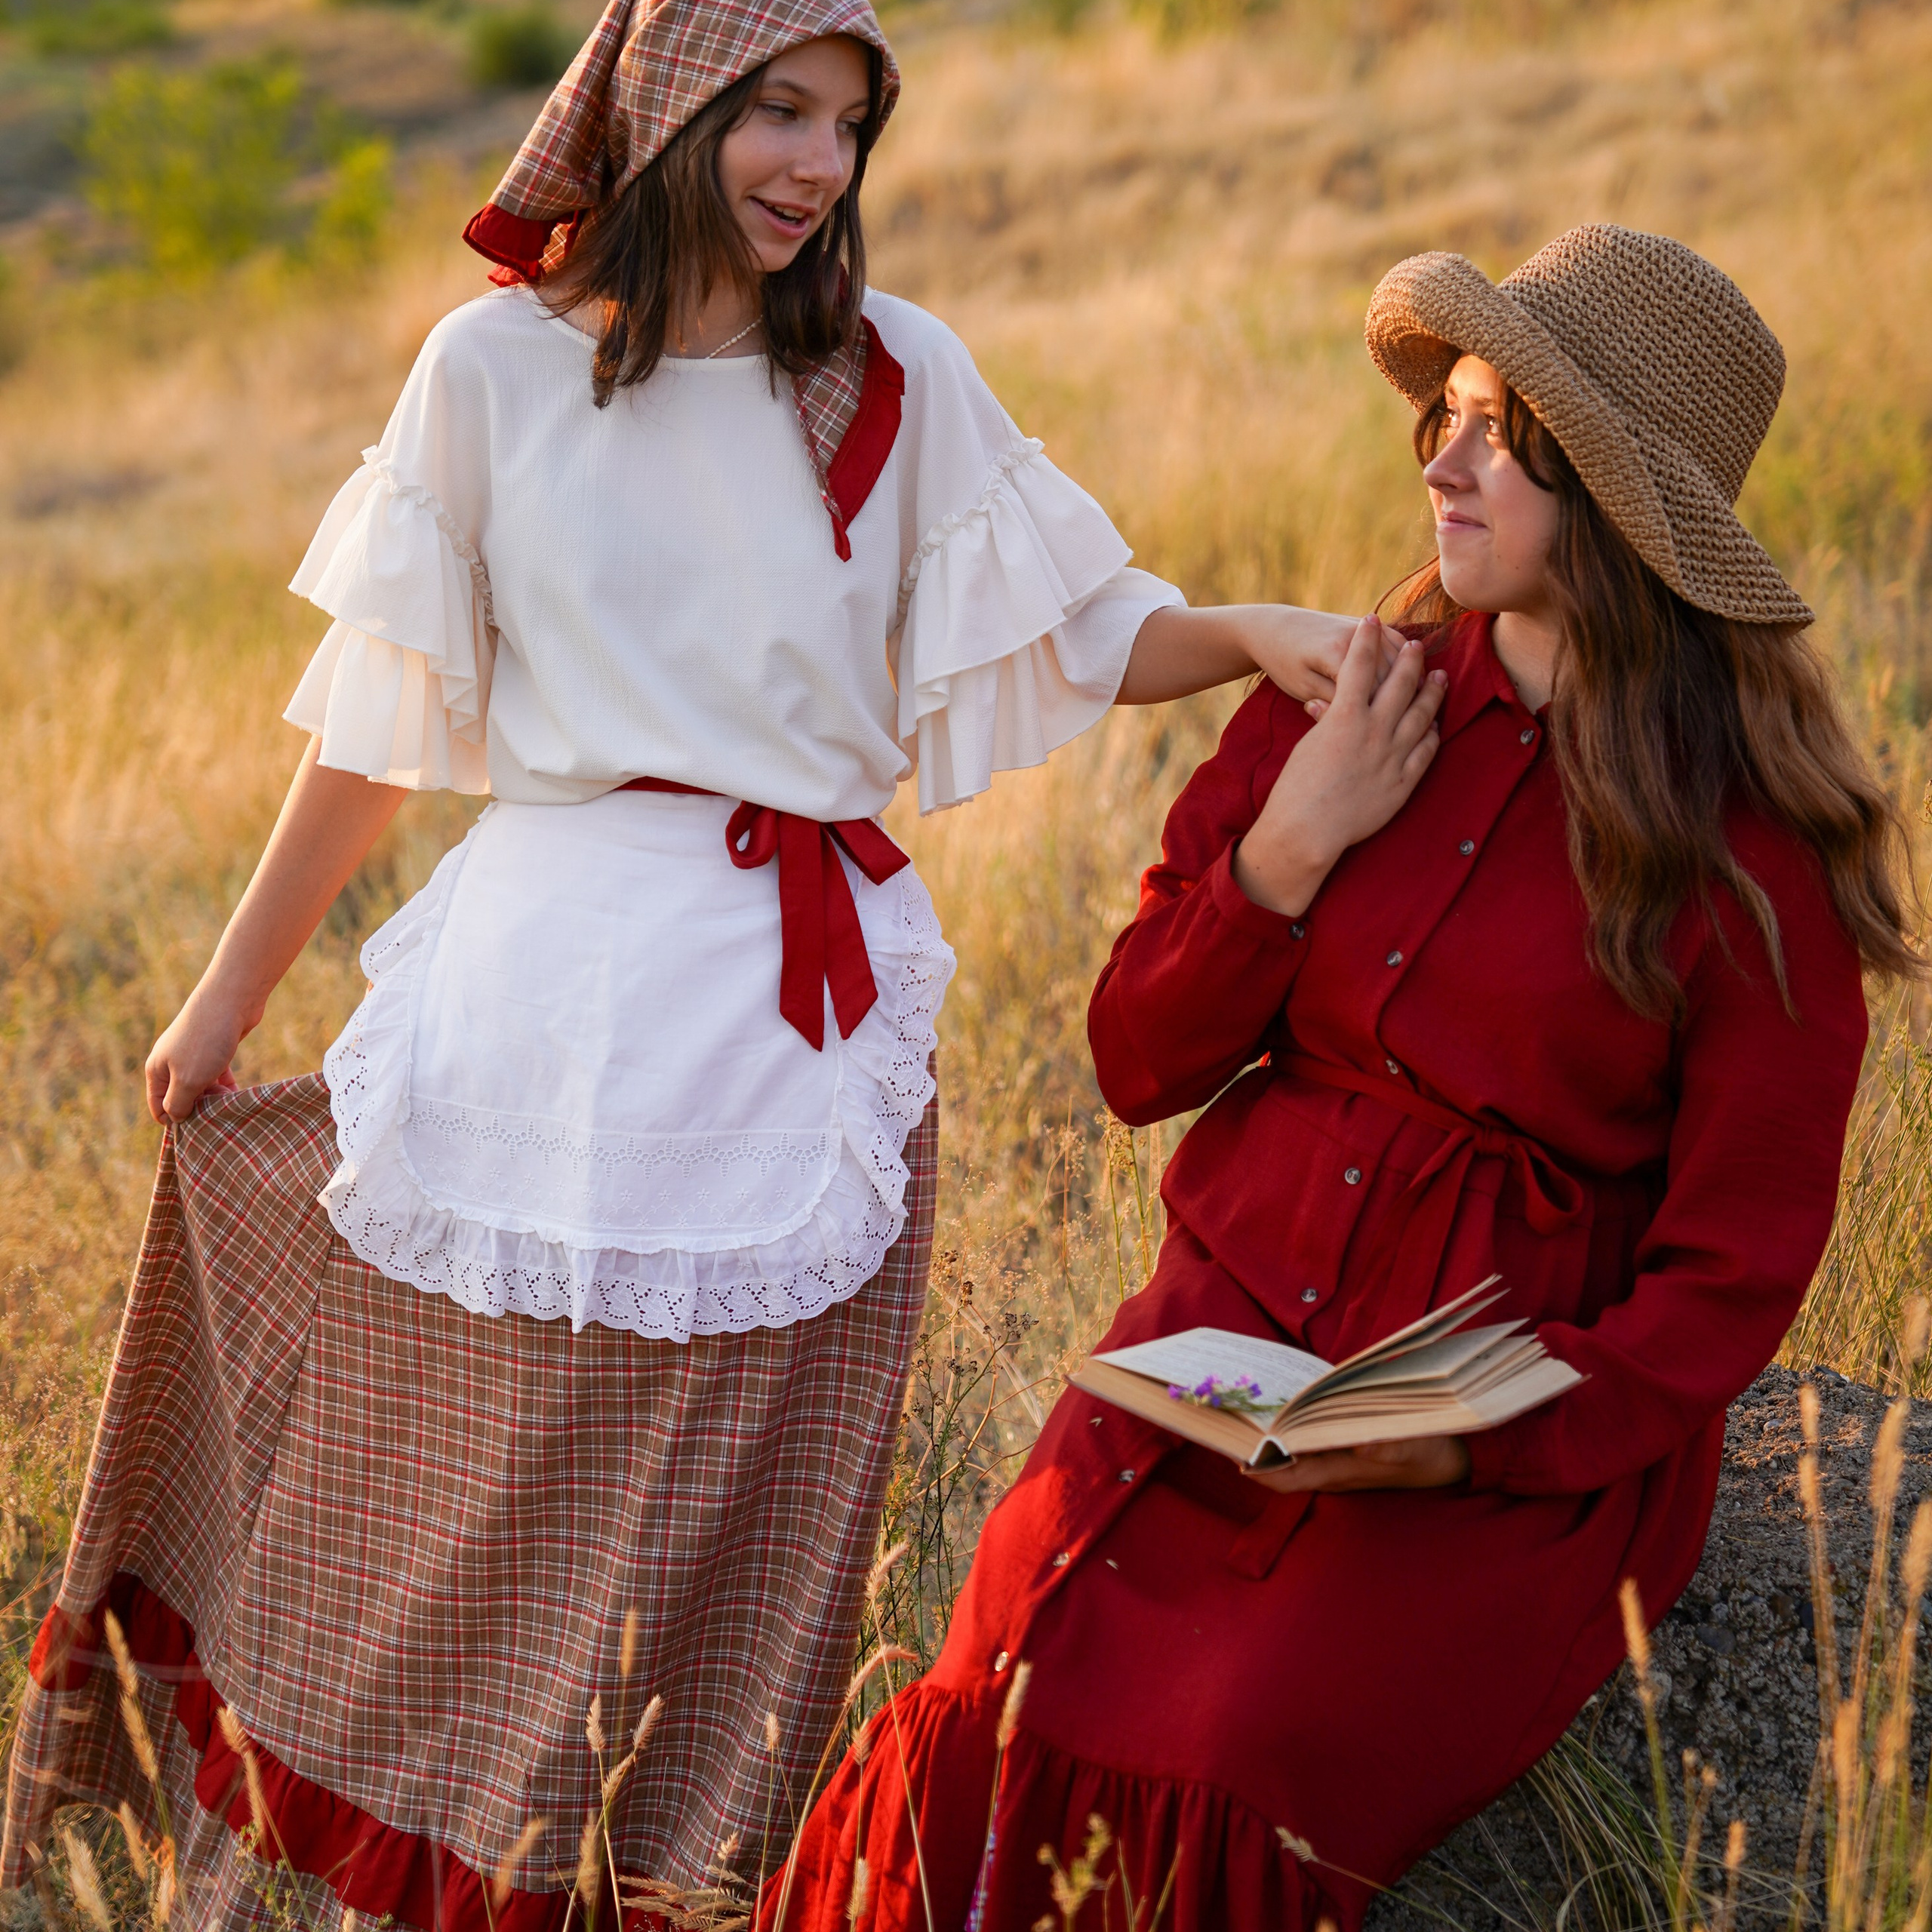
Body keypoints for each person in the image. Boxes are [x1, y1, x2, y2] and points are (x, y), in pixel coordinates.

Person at [0, 2, 1358, 1925]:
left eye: (848, 127)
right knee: (448, 1508)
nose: (816, 164)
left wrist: (1249, 629)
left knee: (709, 1550)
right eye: (777, 113)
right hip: (535, 994)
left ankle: (642, 1885)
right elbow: (379, 735)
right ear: (660, 107)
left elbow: (1067, 619)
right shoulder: (486, 369)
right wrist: (224, 996)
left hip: (789, 1026)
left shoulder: (892, 374)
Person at [765, 224, 1922, 1931]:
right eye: (1438, 413)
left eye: (1495, 434)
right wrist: (1287, 849)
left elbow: (1729, 1271)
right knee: (1001, 1649)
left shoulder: (1749, 857)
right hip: (1216, 1345)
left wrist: (1477, 1442)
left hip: (1479, 1424)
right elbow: (1133, 1055)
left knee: (1251, 1736)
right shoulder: (1341, 698)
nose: (1440, 461)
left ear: (1605, 498)